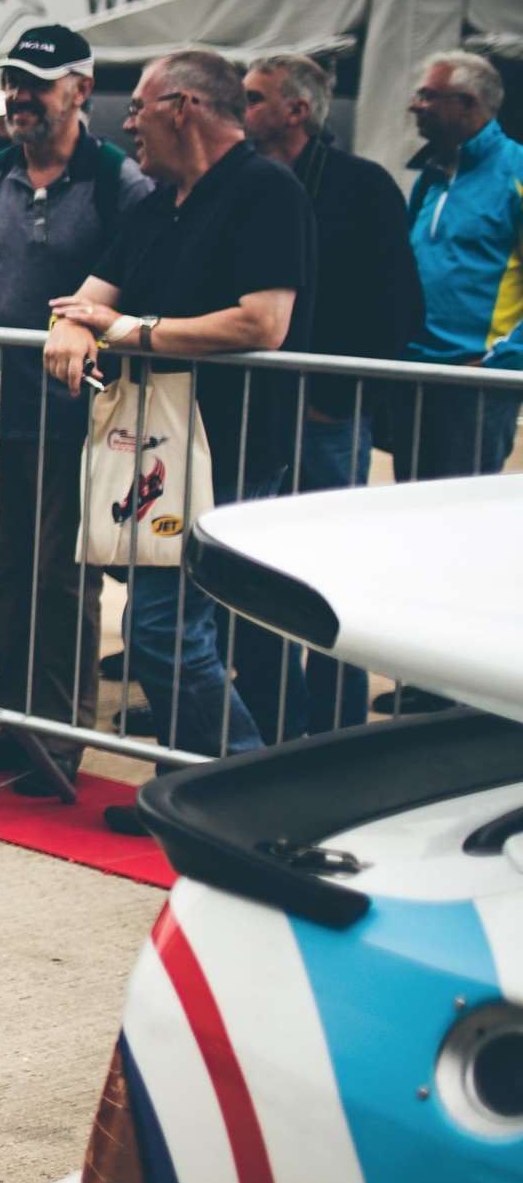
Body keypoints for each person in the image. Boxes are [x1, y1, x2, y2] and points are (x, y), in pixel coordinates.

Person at [44, 50, 313, 760]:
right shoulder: (158, 203)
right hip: (159, 448)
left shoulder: (264, 191)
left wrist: (134, 331)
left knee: (162, 631)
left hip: (232, 446)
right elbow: (91, 296)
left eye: (138, 106)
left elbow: (263, 322)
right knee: (167, 630)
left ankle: (249, 786)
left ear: (184, 107)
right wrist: (73, 324)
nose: (127, 123)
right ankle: (192, 782)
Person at [0, 26, 148, 779]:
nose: (17, 96)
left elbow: (142, 282)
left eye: (35, 84)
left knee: (63, 577)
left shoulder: (120, 182)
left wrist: (87, 326)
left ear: (81, 90)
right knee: (5, 573)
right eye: (10, 82)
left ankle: (56, 740)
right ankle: (4, 721)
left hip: (84, 420)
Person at [242, 52, 419, 732]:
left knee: (330, 578)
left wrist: (338, 400)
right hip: (258, 415)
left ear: (299, 110)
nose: (243, 107)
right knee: (258, 575)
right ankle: (273, 721)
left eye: (255, 98)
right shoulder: (246, 183)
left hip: (325, 415)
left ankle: (335, 728)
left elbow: (399, 306)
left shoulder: (361, 185)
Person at [396, 49, 523, 480]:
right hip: (415, 373)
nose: (416, 105)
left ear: (468, 103)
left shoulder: (516, 172)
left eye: (429, 96)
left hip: (476, 381)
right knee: (408, 509)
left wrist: (501, 362)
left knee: (456, 522)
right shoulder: (431, 173)